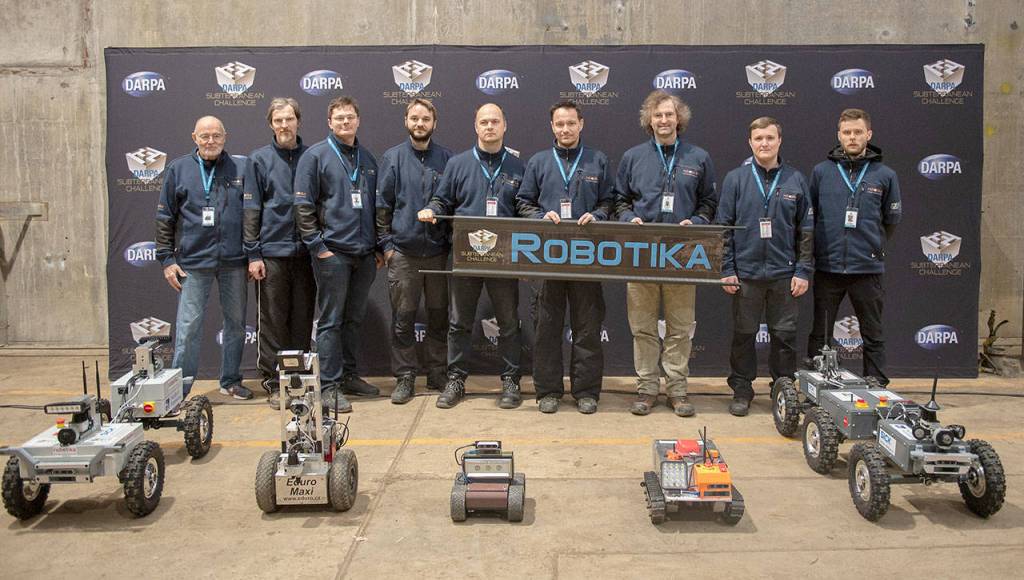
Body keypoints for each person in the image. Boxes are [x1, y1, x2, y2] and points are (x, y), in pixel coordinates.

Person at [615, 90, 717, 417]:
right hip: (641, 253)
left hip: (683, 255)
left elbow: (710, 203)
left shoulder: (698, 158)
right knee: (642, 328)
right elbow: (619, 201)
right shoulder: (632, 157)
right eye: (657, 115)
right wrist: (631, 219)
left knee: (680, 327)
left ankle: (677, 390)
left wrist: (698, 220)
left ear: (679, 118)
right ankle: (646, 389)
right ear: (649, 119)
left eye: (669, 115)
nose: (663, 120)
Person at [418, 103, 525, 409]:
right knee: (459, 322)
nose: (489, 127)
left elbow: (526, 207)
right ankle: (456, 380)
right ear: (475, 127)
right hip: (466, 254)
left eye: (495, 121)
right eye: (484, 122)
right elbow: (442, 199)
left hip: (504, 256)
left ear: (505, 126)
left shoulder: (518, 167)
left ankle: (511, 380)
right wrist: (433, 210)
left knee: (508, 323)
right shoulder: (459, 163)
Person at [516, 101, 613, 414]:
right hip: (547, 257)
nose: (565, 129)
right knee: (546, 328)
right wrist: (541, 216)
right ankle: (548, 391)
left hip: (587, 257)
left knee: (587, 326)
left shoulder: (598, 160)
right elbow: (523, 203)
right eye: (559, 124)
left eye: (571, 123)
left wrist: (597, 214)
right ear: (552, 127)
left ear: (581, 124)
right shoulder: (539, 162)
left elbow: (610, 201)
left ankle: (586, 391)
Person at [716, 116, 813, 416]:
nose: (764, 143)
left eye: (770, 138)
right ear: (750, 142)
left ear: (779, 141)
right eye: (758, 139)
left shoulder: (796, 179)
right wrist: (727, 268)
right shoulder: (736, 179)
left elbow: (806, 230)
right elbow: (724, 228)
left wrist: (802, 270)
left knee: (784, 336)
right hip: (745, 274)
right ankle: (742, 389)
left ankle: (782, 390)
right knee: (744, 335)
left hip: (784, 275)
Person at [294, 96, 382, 412]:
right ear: (330, 123)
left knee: (353, 319)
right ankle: (329, 386)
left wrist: (378, 248)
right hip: (333, 254)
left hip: (364, 255)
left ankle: (349, 377)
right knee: (331, 321)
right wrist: (319, 247)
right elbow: (303, 206)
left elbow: (376, 208)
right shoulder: (315, 156)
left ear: (358, 120)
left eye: (350, 117)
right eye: (339, 118)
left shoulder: (368, 160)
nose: (345, 122)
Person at [155, 115, 252, 400]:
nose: (211, 141)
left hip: (234, 262)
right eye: (205, 136)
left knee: (235, 325)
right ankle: (179, 390)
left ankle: (231, 380)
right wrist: (166, 259)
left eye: (216, 136)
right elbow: (164, 217)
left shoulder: (241, 167)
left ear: (225, 137)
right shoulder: (178, 169)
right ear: (194, 138)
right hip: (193, 265)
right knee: (188, 329)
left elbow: (252, 213)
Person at [805, 108, 902, 385]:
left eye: (858, 132)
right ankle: (817, 380)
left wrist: (872, 246)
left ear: (868, 135)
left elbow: (891, 220)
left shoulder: (885, 174)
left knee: (872, 331)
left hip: (867, 268)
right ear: (839, 135)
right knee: (820, 333)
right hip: (829, 267)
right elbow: (811, 215)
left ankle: (876, 381)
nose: (852, 137)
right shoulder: (822, 172)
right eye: (847, 132)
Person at [376, 99, 453, 404]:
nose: (420, 124)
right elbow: (382, 206)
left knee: (438, 317)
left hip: (436, 254)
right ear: (406, 121)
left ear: (435, 122)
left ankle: (437, 373)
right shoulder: (392, 158)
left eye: (425, 119)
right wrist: (387, 247)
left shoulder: (447, 159)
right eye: (414, 118)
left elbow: (453, 203)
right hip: (403, 254)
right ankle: (405, 376)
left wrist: (448, 245)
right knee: (403, 319)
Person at [243, 97, 314, 407]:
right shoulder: (258, 160)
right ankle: (274, 382)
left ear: (298, 121)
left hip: (307, 253)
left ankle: (298, 380)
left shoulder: (313, 156)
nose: (284, 125)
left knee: (302, 319)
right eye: (278, 120)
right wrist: (253, 253)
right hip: (271, 253)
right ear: (271, 124)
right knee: (272, 321)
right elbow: (251, 209)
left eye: (289, 119)